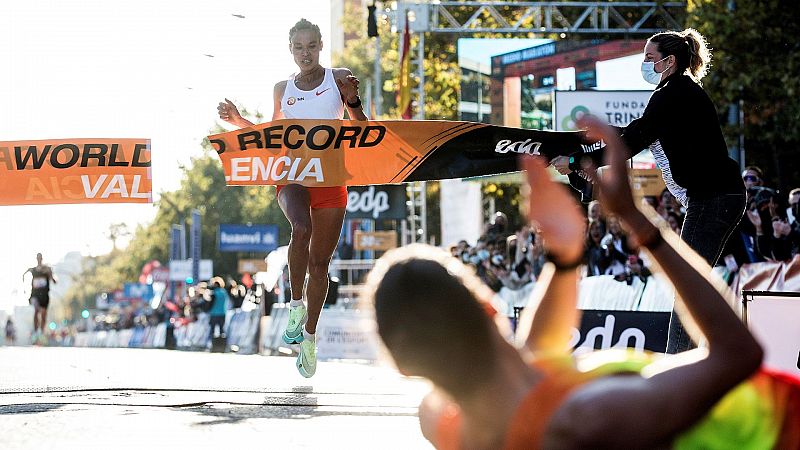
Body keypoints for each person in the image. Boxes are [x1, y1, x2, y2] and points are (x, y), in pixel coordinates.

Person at [365, 117, 799, 449]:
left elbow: (538, 354)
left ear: (405, 366)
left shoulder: (446, 423)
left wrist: (565, 258)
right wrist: (638, 221)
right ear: (489, 306)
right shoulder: (593, 415)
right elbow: (738, 353)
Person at [551, 28, 746, 353]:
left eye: (649, 58)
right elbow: (632, 133)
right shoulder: (677, 93)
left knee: (686, 286)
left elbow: (630, 142)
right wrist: (586, 144)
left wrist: (575, 159)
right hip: (718, 197)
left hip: (714, 199)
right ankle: (695, 356)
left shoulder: (672, 94)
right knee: (690, 284)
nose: (643, 64)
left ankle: (680, 362)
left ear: (669, 61)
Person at [217, 18, 367, 377]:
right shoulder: (282, 88)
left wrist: (353, 101)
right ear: (291, 50)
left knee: (320, 267)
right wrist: (238, 121)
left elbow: (363, 130)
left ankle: (310, 337)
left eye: (311, 46)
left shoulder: (339, 76)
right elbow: (272, 136)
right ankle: (295, 303)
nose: (305, 53)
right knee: (300, 228)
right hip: (293, 176)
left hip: (330, 179)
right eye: (298, 47)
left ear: (320, 46)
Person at [22, 253, 56, 344]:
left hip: (44, 295)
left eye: (40, 258)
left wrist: (50, 274)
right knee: (36, 310)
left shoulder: (47, 269)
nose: (39, 259)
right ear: (36, 258)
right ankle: (36, 331)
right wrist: (24, 289)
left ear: (42, 258)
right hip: (35, 294)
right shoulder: (32, 269)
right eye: (38, 258)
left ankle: (41, 331)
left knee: (44, 315)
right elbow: (24, 275)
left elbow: (54, 281)